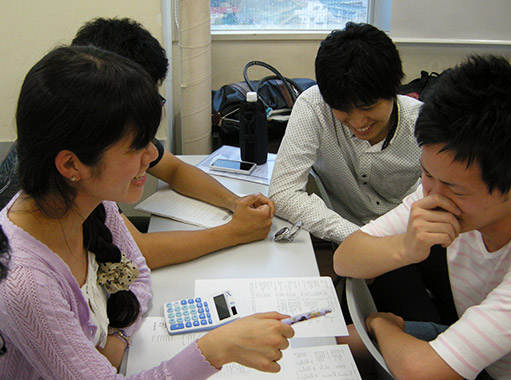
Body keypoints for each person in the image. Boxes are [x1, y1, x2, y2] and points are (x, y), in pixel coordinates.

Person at [0, 45, 294, 379]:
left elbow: (138, 272)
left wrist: (118, 336)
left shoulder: (90, 201)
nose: (152, 154)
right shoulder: (25, 283)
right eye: (137, 145)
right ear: (71, 164)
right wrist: (216, 349)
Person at [334, 55, 511, 380]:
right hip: (478, 348)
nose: (432, 196)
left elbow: (423, 372)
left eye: (454, 189)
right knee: (338, 336)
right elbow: (345, 258)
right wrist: (406, 248)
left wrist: (380, 325)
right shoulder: (443, 187)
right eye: (427, 174)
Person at [70, 17, 275, 269]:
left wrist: (235, 203)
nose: (149, 154)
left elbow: (175, 170)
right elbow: (138, 253)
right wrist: (235, 232)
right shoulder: (75, 164)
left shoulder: (102, 128)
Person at [269, 22, 422, 245]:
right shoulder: (315, 105)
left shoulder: (421, 123)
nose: (359, 122)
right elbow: (283, 193)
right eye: (343, 110)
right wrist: (359, 239)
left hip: (409, 231)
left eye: (368, 107)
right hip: (350, 237)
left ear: (393, 89)